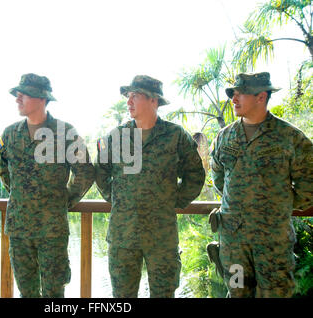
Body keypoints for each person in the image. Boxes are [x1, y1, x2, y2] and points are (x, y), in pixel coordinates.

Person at [94, 75, 205, 297]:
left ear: (154, 100)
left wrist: (175, 200)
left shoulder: (175, 136)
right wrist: (118, 200)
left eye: (135, 96)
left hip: (162, 238)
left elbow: (195, 174)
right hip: (123, 237)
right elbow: (100, 172)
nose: (129, 102)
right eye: (128, 96)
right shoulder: (116, 137)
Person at [209, 72, 313, 297]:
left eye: (240, 94)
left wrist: (278, 205)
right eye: (232, 94)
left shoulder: (290, 137)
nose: (233, 99)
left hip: (272, 245)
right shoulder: (224, 137)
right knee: (237, 293)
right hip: (233, 244)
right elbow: (218, 178)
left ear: (261, 97)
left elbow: (309, 186)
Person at [0, 73, 95, 297]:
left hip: (51, 230)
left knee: (54, 293)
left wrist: (64, 200)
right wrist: (21, 195)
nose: (17, 99)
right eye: (17, 95)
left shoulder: (65, 132)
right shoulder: (10, 134)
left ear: (42, 99)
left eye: (23, 95)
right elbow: (5, 170)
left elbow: (84, 171)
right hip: (19, 229)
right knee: (26, 292)